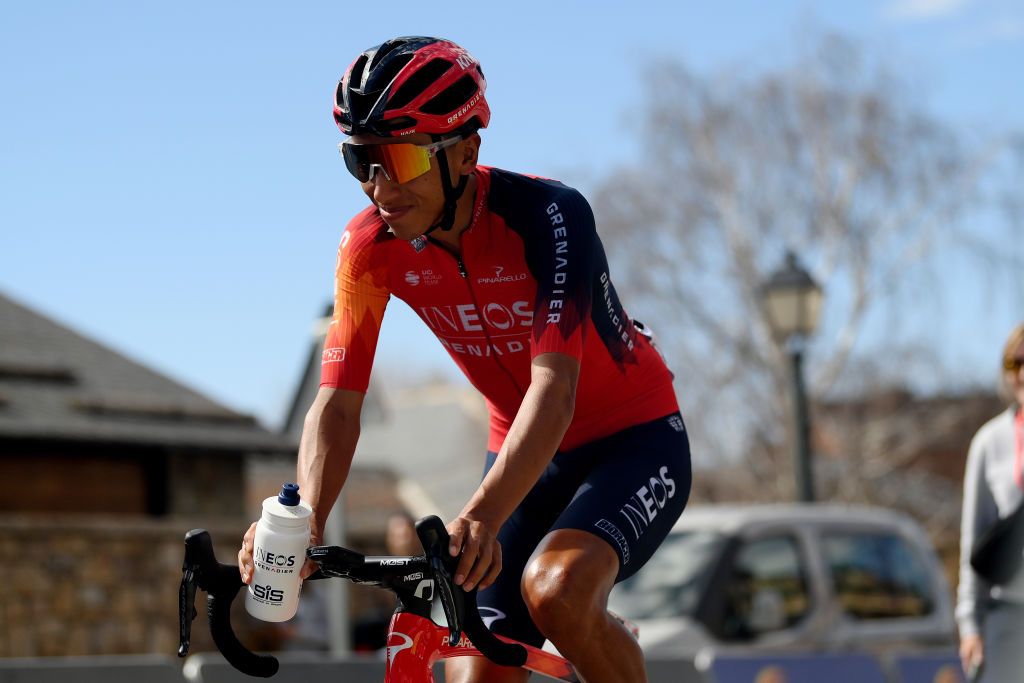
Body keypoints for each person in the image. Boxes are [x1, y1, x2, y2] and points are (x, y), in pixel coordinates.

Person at [239, 36, 692, 683]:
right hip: (527, 454)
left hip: (634, 439)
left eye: (396, 156)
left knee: (557, 589)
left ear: (466, 152)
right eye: (360, 160)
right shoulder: (369, 247)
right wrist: (304, 517)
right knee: (480, 667)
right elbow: (338, 403)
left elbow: (554, 389)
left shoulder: (550, 216)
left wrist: (481, 514)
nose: (379, 185)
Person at [956, 322, 1024, 681]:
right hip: (1009, 618)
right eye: (1015, 363)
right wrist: (969, 623)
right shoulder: (990, 441)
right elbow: (974, 540)